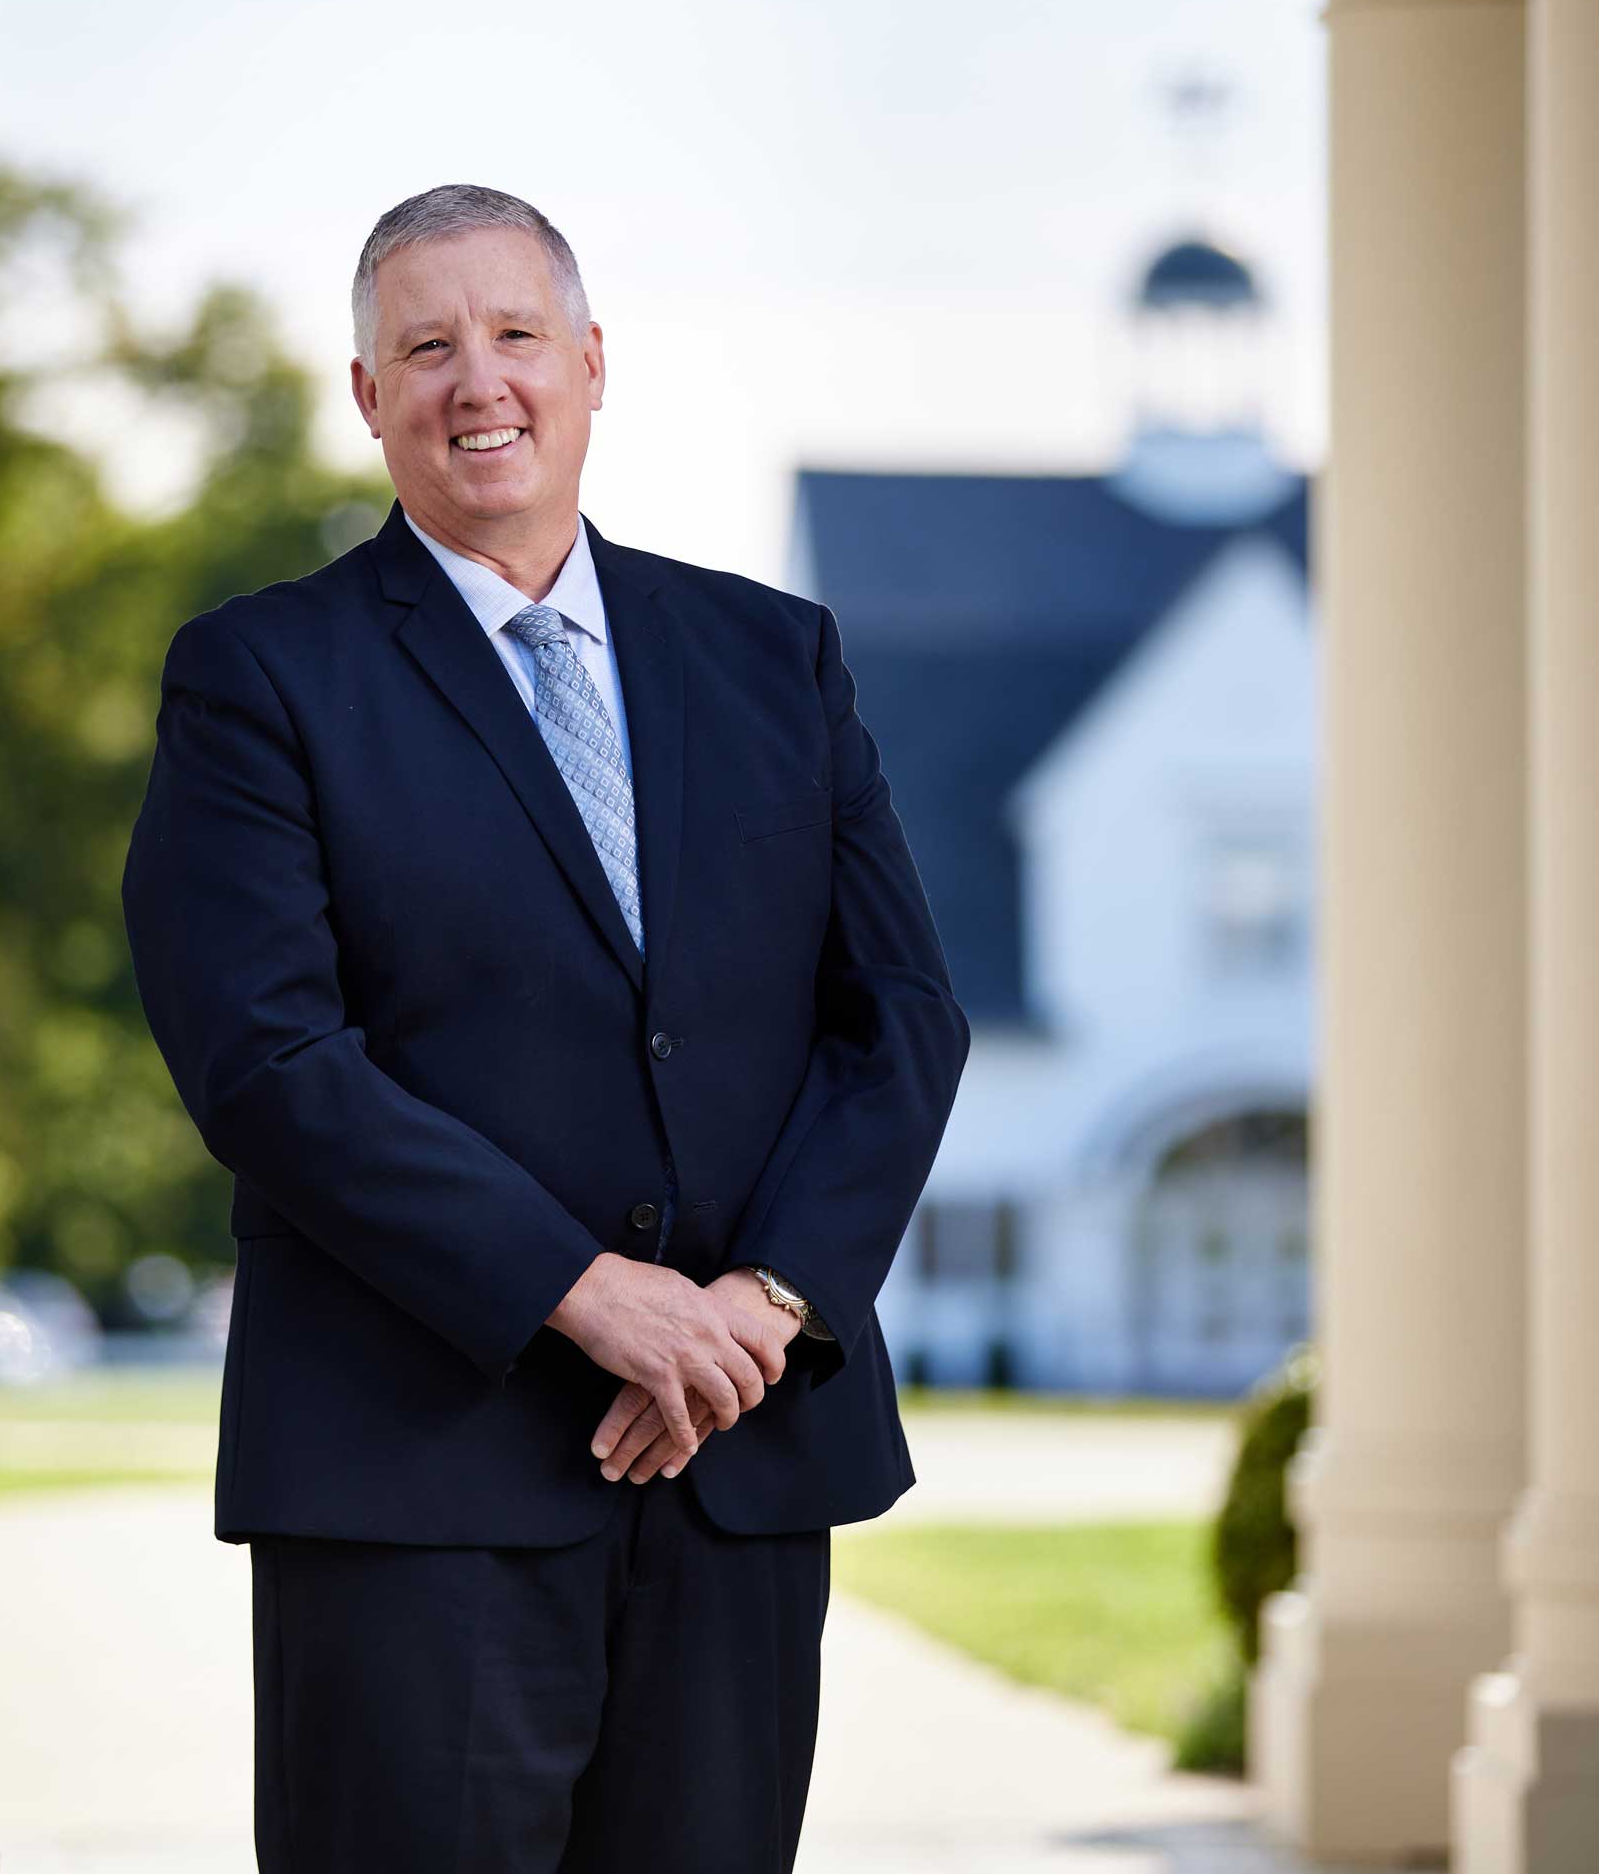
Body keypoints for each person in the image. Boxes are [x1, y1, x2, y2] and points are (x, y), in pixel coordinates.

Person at [120, 182, 969, 1874]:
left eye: (514, 335)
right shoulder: (258, 679)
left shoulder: (772, 656)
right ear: (368, 397)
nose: (476, 380)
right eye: (424, 347)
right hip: (414, 1474)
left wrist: (758, 1307)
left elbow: (900, 1022)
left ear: (591, 363)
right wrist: (593, 1300)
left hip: (736, 1449)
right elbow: (269, 1063)